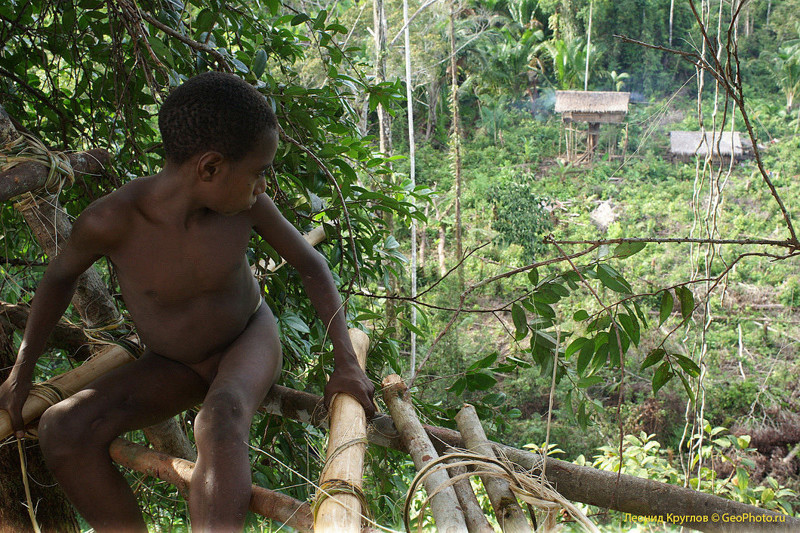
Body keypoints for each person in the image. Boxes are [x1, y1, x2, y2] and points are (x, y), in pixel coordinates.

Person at [0, 71, 375, 532]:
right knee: (63, 429)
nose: (263, 187)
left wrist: (346, 361)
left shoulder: (248, 209)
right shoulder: (111, 220)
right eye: (259, 172)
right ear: (211, 167)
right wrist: (24, 370)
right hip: (171, 363)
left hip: (247, 339)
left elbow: (311, 265)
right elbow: (58, 279)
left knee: (220, 419)